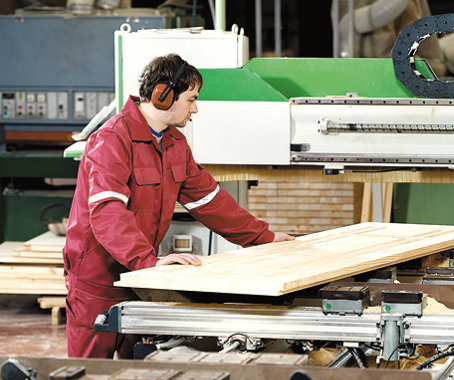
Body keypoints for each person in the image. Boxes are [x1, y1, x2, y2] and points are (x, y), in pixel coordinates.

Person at [63, 54, 294, 359]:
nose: (195, 109)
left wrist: (263, 237)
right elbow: (108, 213)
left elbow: (210, 200)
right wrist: (146, 261)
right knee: (89, 374)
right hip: (99, 280)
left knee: (142, 366)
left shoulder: (174, 143)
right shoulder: (112, 140)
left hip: (140, 276)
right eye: (191, 99)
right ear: (163, 95)